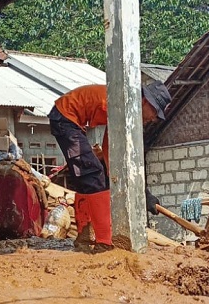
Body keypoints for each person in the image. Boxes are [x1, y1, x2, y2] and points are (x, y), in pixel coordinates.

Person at [48, 81, 171, 252]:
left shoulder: (120, 106)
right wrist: (143, 192)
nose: (153, 119)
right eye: (155, 113)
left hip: (66, 118)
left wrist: (110, 171)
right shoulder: (122, 106)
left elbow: (110, 144)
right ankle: (104, 242)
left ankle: (84, 236)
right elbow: (121, 149)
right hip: (65, 118)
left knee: (87, 178)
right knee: (93, 175)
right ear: (145, 101)